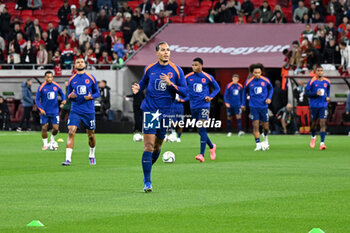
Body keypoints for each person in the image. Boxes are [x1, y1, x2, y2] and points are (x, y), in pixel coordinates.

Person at [131, 41, 187, 192]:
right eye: (163, 50)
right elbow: (143, 83)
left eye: (168, 50)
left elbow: (185, 92)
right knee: (148, 145)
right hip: (150, 110)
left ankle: (146, 172)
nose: (166, 52)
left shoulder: (176, 70)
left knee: (157, 146)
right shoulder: (149, 68)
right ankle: (147, 182)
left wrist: (171, 84)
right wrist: (138, 87)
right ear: (157, 53)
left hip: (166, 112)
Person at [62, 58, 100, 166]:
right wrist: (71, 96)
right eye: (78, 62)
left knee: (91, 135)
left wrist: (91, 97)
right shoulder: (71, 80)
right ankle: (68, 159)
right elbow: (68, 95)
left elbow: (97, 93)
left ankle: (92, 155)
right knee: (71, 131)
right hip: (76, 110)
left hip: (88, 111)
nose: (80, 63)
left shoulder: (91, 78)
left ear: (85, 64)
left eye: (82, 62)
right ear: (75, 65)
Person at [185, 57, 220, 162]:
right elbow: (180, 86)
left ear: (201, 65)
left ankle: (201, 154)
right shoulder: (188, 77)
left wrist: (210, 96)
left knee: (202, 127)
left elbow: (217, 88)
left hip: (204, 105)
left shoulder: (207, 77)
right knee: (199, 130)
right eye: (192, 65)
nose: (194, 67)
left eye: (196, 65)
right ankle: (212, 146)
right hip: (193, 106)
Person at [241, 63, 273, 151]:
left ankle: (265, 138)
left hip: (264, 106)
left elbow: (271, 89)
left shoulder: (266, 80)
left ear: (261, 72)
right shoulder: (248, 82)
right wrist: (243, 104)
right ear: (252, 73)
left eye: (259, 72)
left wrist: (269, 98)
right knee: (255, 126)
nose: (257, 74)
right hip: (253, 106)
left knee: (266, 126)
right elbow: (244, 93)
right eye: (255, 72)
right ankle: (258, 144)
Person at [35, 71, 66, 150]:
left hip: (54, 110)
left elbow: (62, 94)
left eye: (51, 77)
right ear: (45, 77)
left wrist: (64, 100)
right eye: (48, 77)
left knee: (56, 128)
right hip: (44, 111)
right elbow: (37, 100)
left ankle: (52, 140)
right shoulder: (41, 87)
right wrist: (41, 109)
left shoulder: (56, 86)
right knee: (44, 127)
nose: (50, 78)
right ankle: (45, 144)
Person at [305, 66, 330, 150]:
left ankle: (322, 143)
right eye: (318, 71)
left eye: (321, 71)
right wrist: (316, 93)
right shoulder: (312, 81)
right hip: (314, 105)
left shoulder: (327, 81)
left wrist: (328, 97)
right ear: (316, 72)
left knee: (323, 123)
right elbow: (307, 93)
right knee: (314, 123)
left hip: (323, 105)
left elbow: (328, 90)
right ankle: (313, 137)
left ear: (323, 72)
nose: (320, 72)